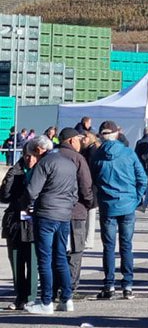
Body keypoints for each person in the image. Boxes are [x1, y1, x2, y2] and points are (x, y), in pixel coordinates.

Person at [90, 120, 147, 301]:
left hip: (108, 204)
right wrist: (137, 198)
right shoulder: (129, 153)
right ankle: (128, 284)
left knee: (108, 246)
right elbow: (142, 178)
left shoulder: (97, 156)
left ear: (101, 135)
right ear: (116, 134)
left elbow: (93, 180)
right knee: (126, 245)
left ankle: (109, 284)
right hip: (128, 203)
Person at [25, 134, 78, 315]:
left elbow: (32, 191)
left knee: (45, 259)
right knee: (61, 257)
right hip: (64, 215)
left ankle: (46, 301)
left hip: (46, 214)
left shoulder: (44, 163)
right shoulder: (69, 163)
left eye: (34, 153)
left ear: (39, 150)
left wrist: (30, 205)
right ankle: (67, 298)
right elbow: (75, 192)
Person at [1, 141, 40, 310]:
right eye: (26, 156)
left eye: (32, 156)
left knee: (32, 260)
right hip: (15, 221)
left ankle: (31, 296)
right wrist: (12, 174)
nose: (29, 159)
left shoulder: (42, 171)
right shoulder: (16, 171)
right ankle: (20, 296)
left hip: (33, 220)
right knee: (16, 260)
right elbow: (4, 196)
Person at [56, 128, 92, 297]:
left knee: (57, 249)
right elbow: (86, 186)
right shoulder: (78, 158)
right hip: (76, 211)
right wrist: (89, 202)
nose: (80, 142)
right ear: (71, 141)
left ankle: (54, 286)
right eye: (78, 139)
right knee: (76, 251)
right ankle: (69, 288)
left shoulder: (51, 157)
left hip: (54, 211)